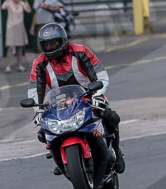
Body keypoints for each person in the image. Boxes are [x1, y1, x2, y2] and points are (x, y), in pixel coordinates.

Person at [28, 22, 125, 174]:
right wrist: (38, 109)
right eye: (46, 44)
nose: (50, 47)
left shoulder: (81, 51)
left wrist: (97, 93)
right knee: (43, 132)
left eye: (53, 43)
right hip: (60, 102)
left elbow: (100, 74)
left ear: (62, 41)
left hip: (89, 95)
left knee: (110, 116)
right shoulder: (39, 63)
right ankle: (62, 158)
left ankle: (117, 152)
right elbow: (35, 88)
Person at [2, 0, 31, 73]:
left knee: (19, 47)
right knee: (10, 46)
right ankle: (8, 66)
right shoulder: (9, 3)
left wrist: (26, 0)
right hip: (11, 27)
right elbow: (3, 7)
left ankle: (19, 65)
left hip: (20, 27)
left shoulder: (22, 3)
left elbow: (28, 10)